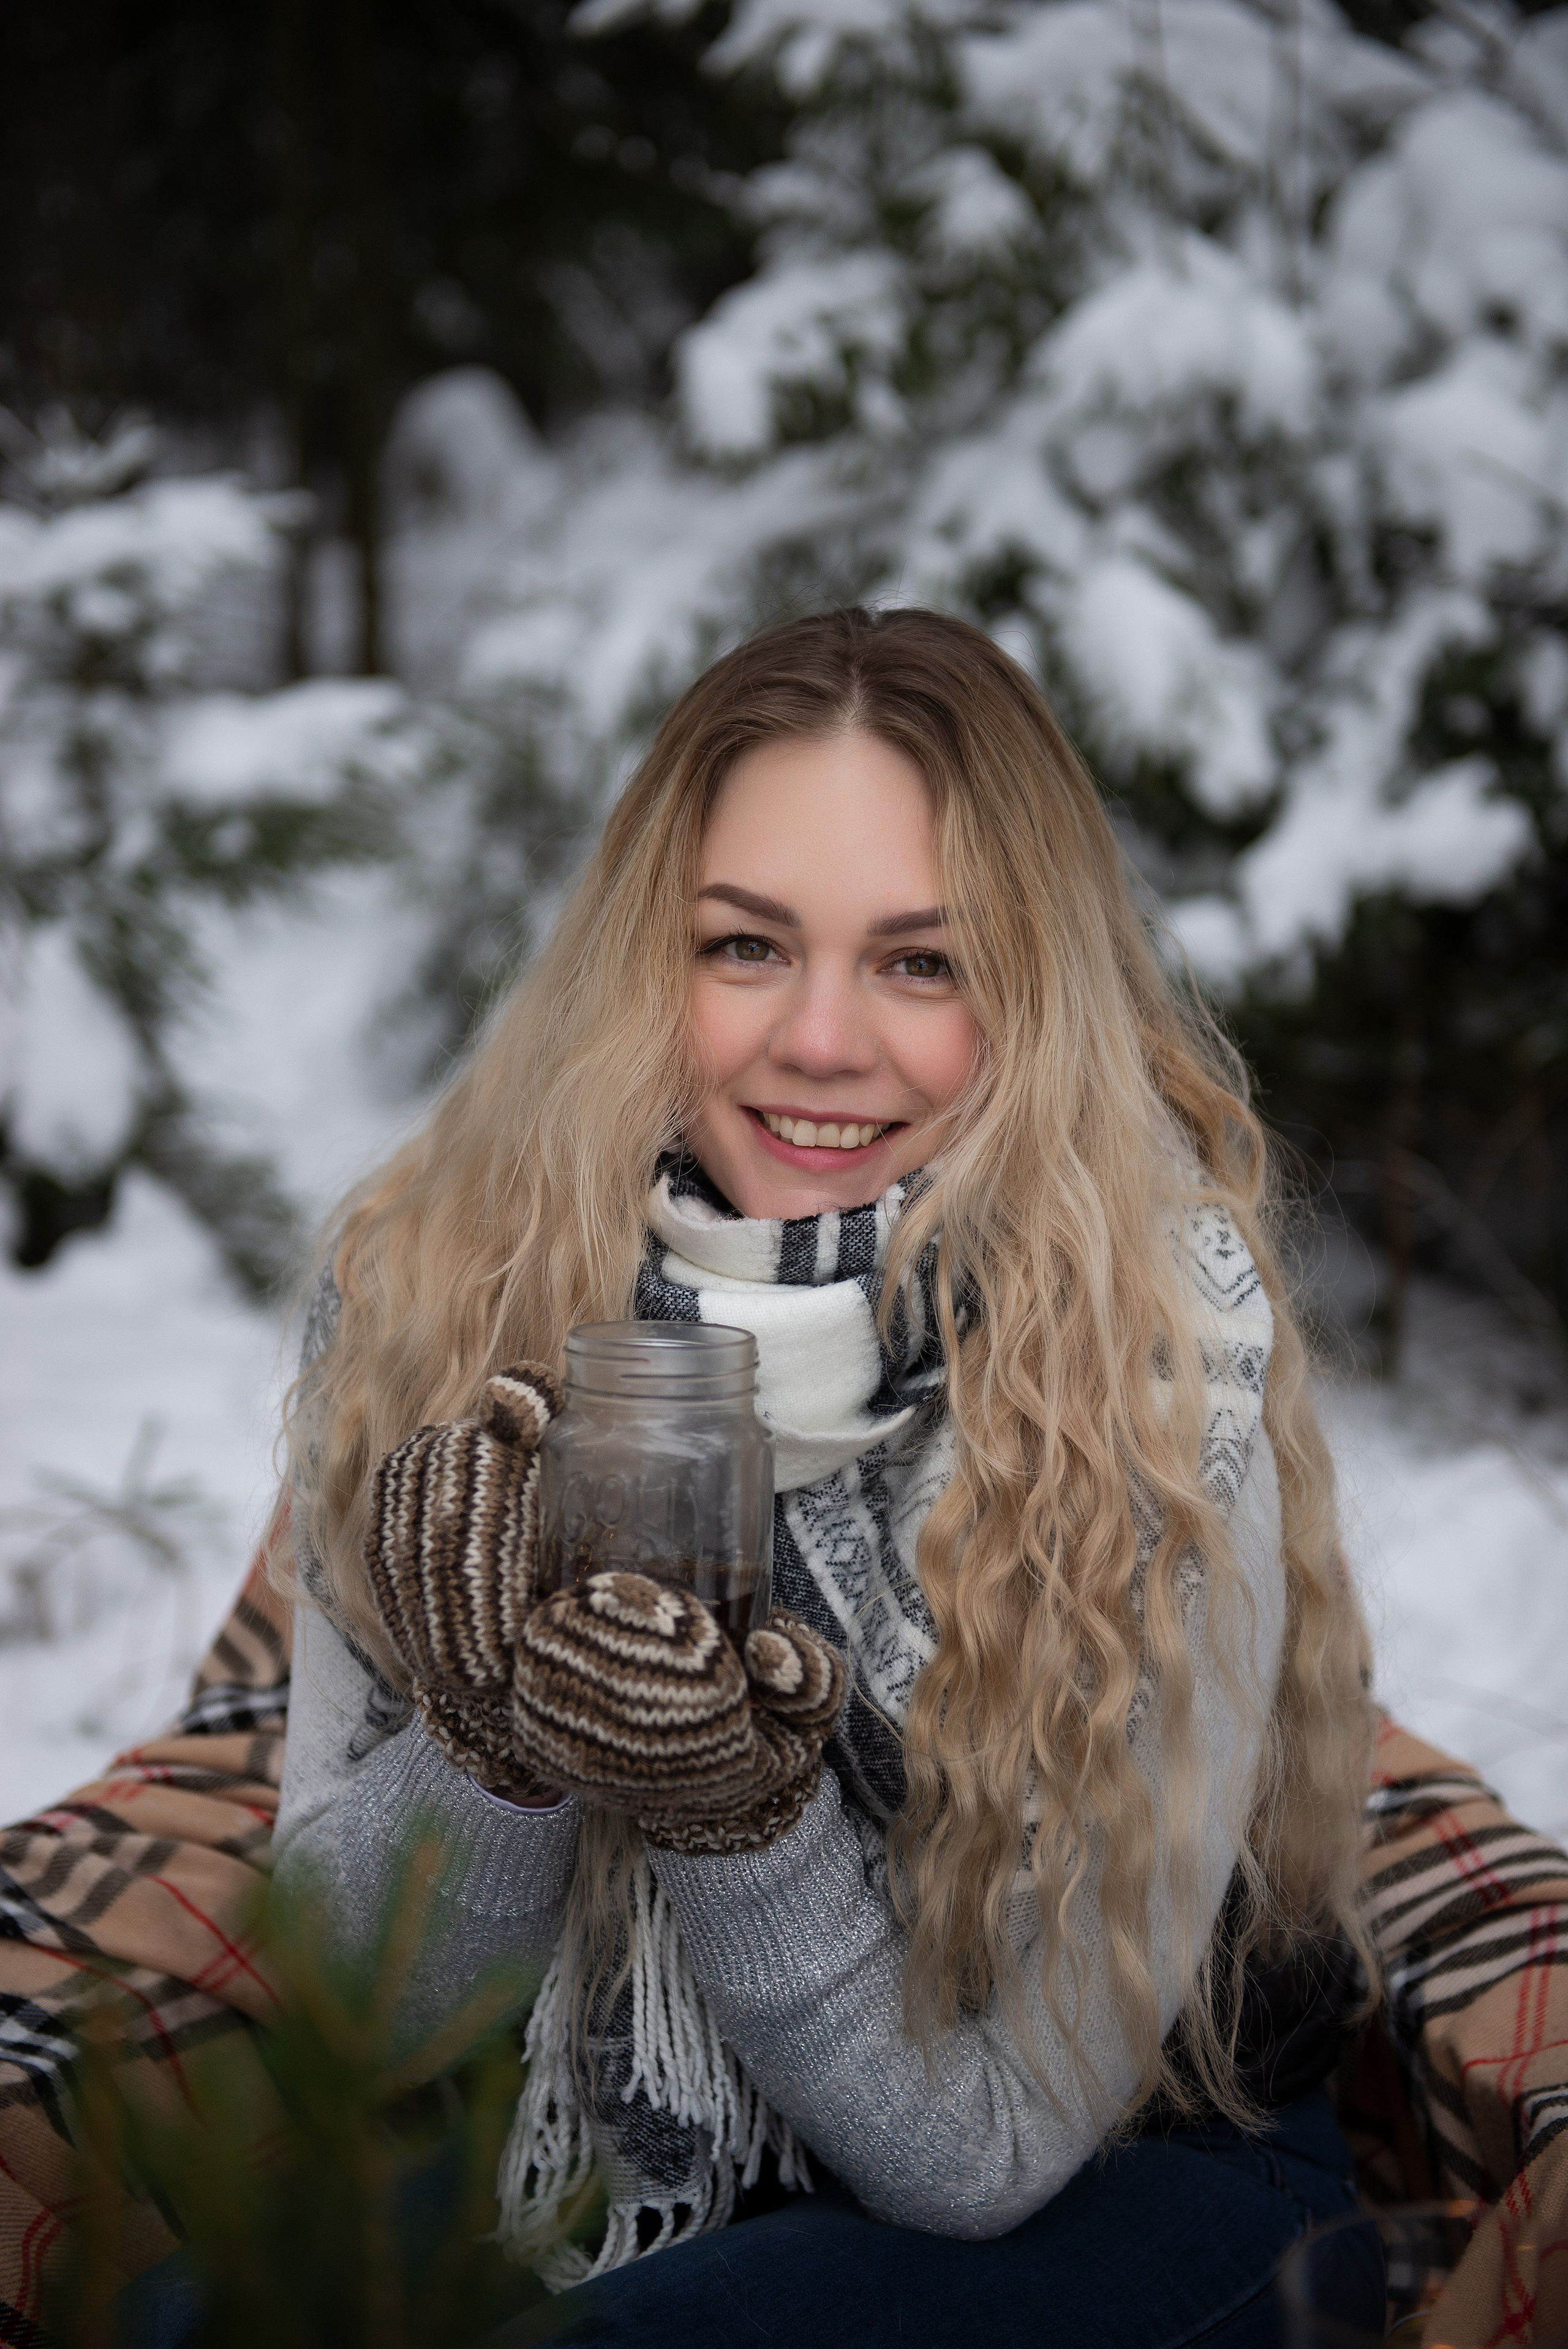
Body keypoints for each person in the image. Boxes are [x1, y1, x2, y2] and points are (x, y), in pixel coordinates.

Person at [272, 606, 1385, 2347]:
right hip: (614, 2145)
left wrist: (740, 1814)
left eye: (922, 962)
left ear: (1032, 995)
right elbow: (350, 2016)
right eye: (745, 945)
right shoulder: (453, 1297)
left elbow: (985, 2151)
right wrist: (491, 1759)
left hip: (1129, 2182)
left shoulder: (1159, 1362)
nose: (818, 1039)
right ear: (648, 954)